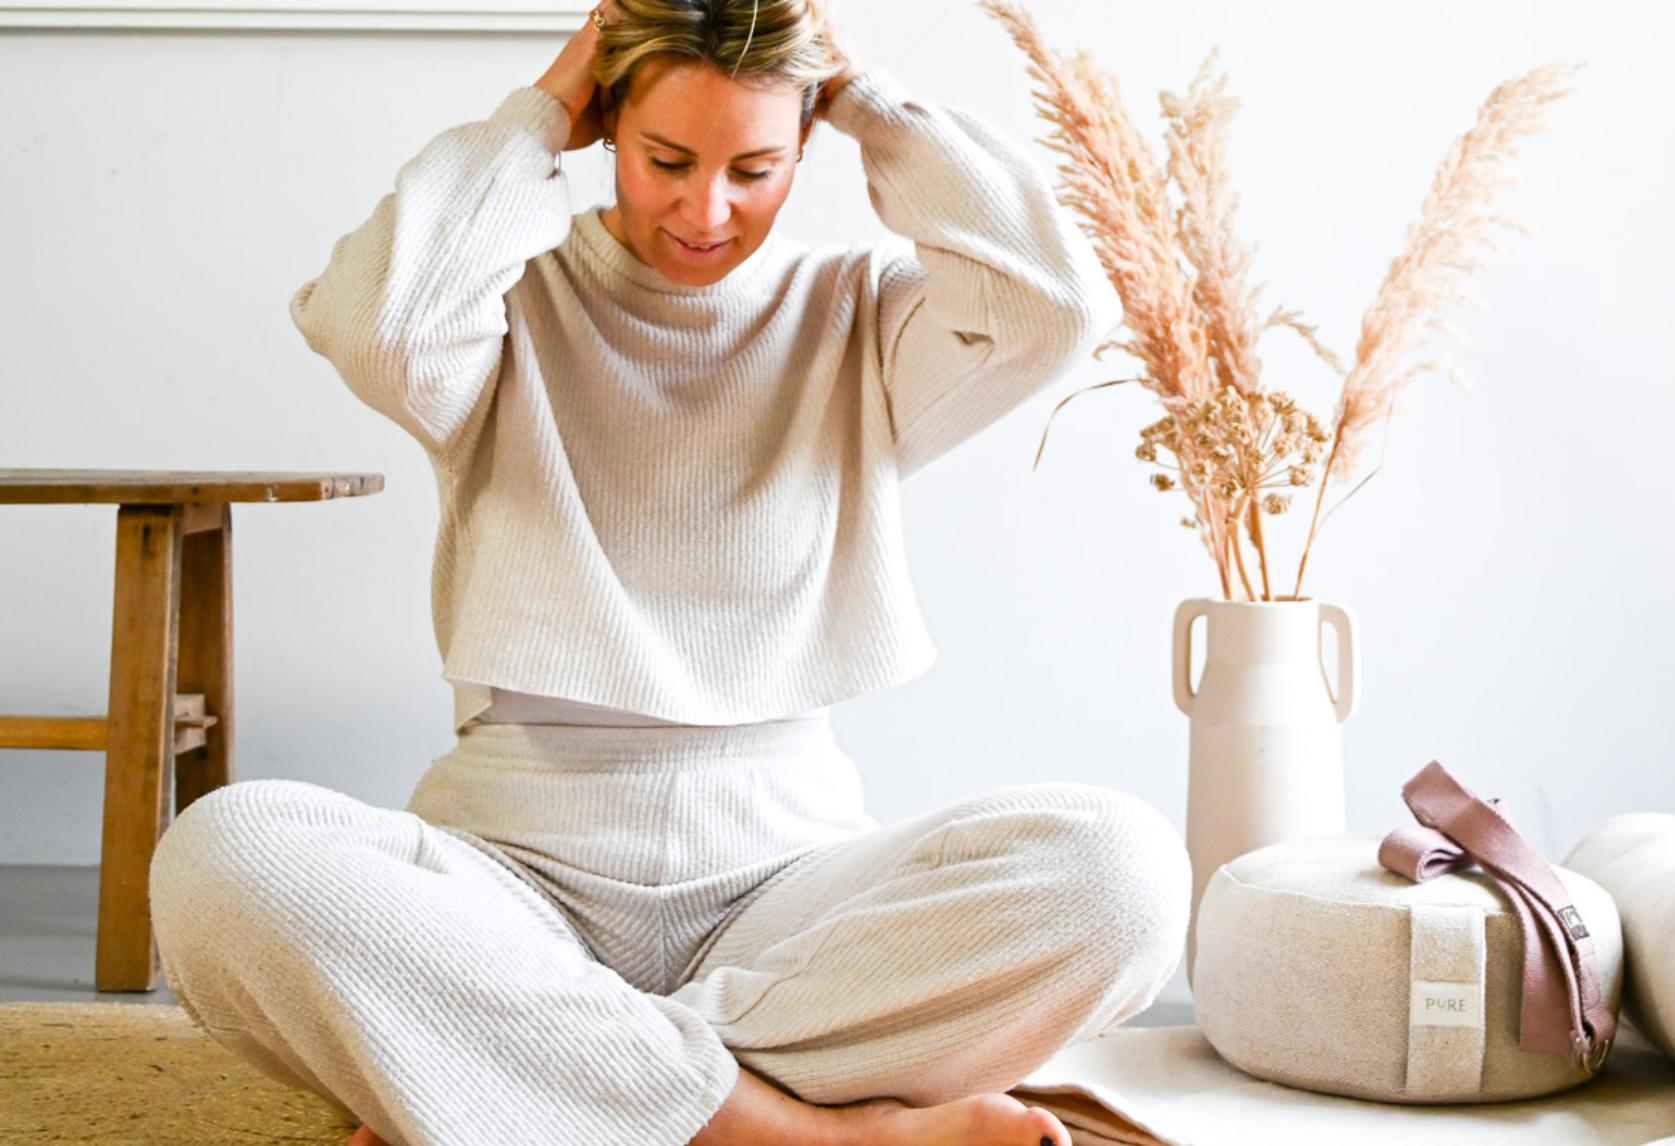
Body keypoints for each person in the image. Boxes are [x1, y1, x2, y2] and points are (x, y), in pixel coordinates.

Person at [145, 0, 1192, 1143]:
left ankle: (516, 1078)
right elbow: (378, 329)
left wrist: (873, 102)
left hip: (786, 895)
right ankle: (795, 1133)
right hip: (510, 881)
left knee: (1125, 878)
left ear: (809, 137)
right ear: (605, 125)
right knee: (219, 860)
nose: (706, 211)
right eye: (667, 160)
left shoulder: (859, 315)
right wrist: (537, 114)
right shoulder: (496, 303)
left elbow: (1054, 307)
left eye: (755, 168)